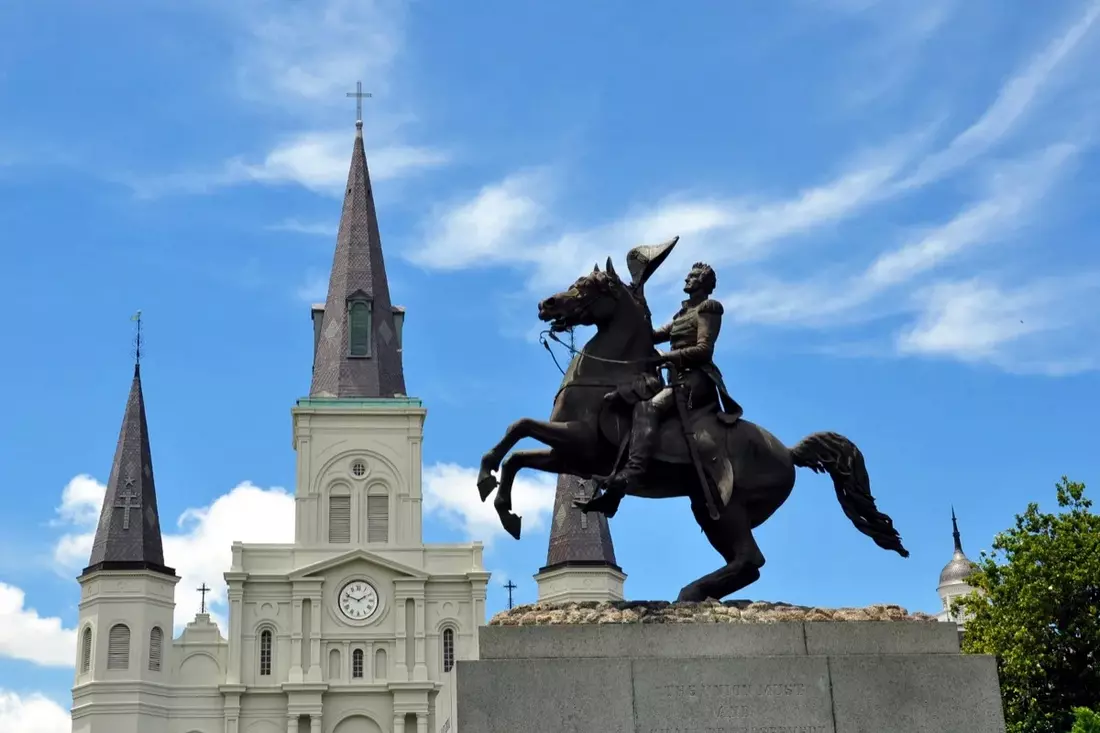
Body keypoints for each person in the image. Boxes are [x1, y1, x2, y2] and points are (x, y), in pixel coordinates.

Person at [601, 261, 743, 494]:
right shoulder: (682, 314)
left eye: (693, 276)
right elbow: (652, 336)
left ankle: (634, 471)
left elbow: (704, 349)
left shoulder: (709, 307)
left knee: (649, 407)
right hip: (676, 378)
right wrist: (637, 301)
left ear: (704, 283)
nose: (687, 279)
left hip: (697, 378)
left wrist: (667, 357)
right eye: (688, 275)